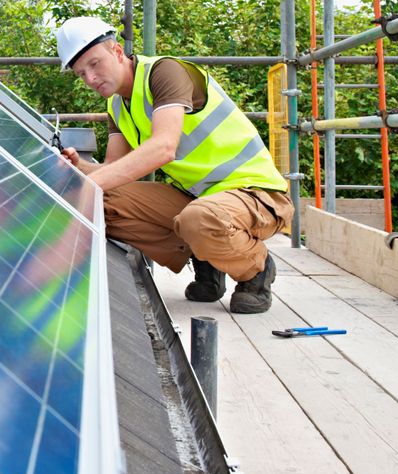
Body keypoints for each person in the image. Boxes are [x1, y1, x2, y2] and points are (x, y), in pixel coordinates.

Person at [55, 17, 294, 313]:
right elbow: (113, 169)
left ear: (117, 52)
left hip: (254, 193)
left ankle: (256, 270)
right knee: (101, 204)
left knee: (200, 218)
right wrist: (80, 169)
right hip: (200, 200)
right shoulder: (117, 106)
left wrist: (90, 185)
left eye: (95, 64)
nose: (90, 79)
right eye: (81, 74)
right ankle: (207, 259)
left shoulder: (164, 72)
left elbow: (164, 147)